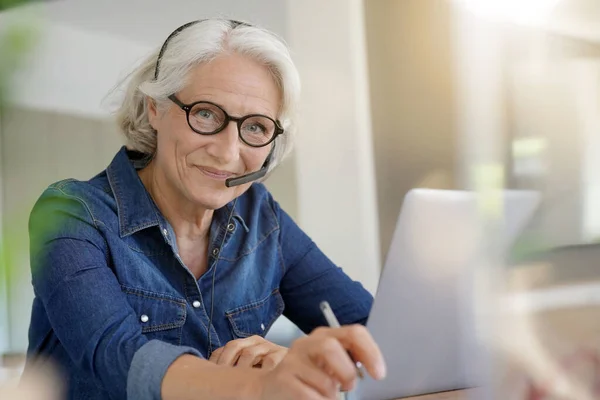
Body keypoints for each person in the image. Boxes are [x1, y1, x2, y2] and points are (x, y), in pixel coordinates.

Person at [25, 18, 385, 399]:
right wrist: (259, 386)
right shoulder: (70, 213)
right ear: (154, 109)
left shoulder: (263, 218)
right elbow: (119, 358)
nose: (228, 153)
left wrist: (288, 362)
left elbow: (375, 335)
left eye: (257, 127)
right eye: (206, 114)